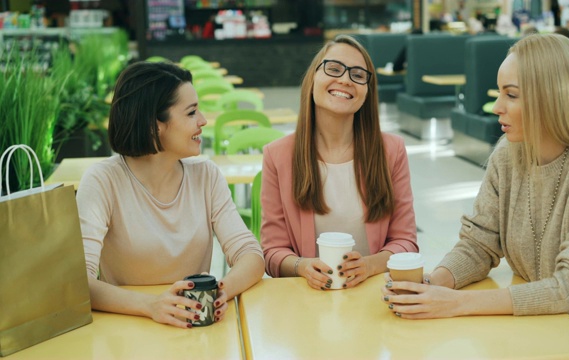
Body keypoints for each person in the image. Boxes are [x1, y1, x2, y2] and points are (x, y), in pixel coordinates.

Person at [382, 34, 569, 359]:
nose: (496, 107)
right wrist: (437, 283)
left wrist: (458, 304)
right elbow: (480, 243)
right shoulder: (510, 152)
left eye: (511, 95)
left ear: (554, 97)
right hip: (539, 334)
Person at [76, 62, 265, 328]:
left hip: (194, 328)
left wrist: (222, 292)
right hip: (124, 329)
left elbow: (251, 254)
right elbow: (78, 283)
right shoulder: (102, 181)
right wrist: (151, 306)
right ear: (155, 126)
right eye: (191, 113)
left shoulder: (206, 176)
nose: (203, 121)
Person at [261, 35, 419, 290]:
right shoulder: (277, 155)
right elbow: (272, 252)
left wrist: (370, 265)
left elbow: (405, 242)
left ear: (367, 92)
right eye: (333, 69)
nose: (345, 80)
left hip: (372, 297)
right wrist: (301, 266)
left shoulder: (392, 150)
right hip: (308, 302)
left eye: (358, 75)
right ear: (313, 78)